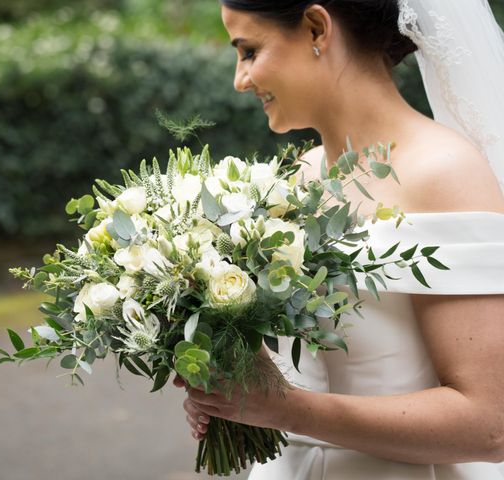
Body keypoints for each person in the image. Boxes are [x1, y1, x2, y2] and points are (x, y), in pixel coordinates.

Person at [174, 0, 504, 478]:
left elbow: (489, 426)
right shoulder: (296, 180)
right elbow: (300, 366)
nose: (240, 79)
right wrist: (230, 386)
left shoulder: (444, 172)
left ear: (315, 29)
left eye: (248, 51)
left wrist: (284, 409)